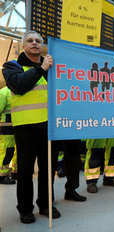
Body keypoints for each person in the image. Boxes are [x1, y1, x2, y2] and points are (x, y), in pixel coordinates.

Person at [2, 30, 61, 223]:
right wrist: (42, 69)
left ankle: (45, 205)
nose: (34, 43)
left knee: (47, 168)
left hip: (49, 127)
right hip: (26, 127)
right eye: (30, 40)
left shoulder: (53, 67)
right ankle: (25, 209)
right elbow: (19, 85)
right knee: (26, 171)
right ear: (23, 45)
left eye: (38, 41)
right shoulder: (12, 66)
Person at [0, 86, 16, 185]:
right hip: (5, 126)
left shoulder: (19, 89)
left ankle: (15, 172)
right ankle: (2, 176)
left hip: (17, 125)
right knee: (7, 151)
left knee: (16, 151)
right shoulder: (3, 92)